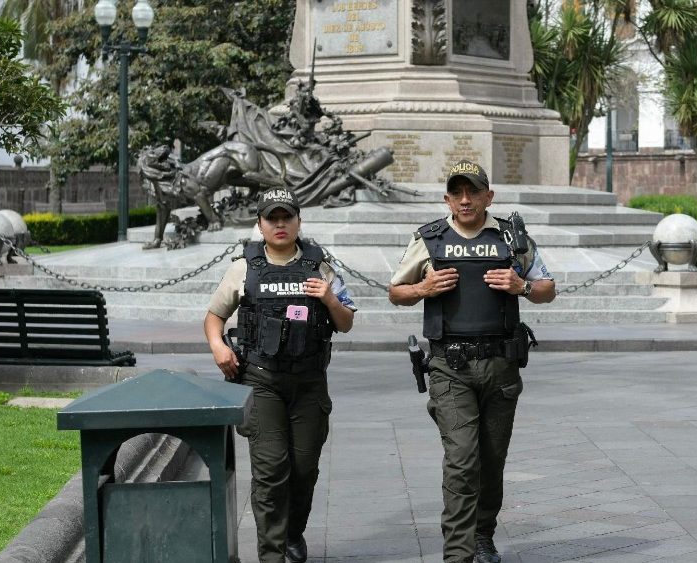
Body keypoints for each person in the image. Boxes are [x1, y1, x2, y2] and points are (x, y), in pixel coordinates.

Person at [388, 160, 556, 563]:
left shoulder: (511, 238)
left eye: (474, 191)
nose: (466, 200)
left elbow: (548, 288)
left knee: (491, 461)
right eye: (458, 192)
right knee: (462, 460)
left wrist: (523, 286)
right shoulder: (430, 239)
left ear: (488, 196)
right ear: (447, 198)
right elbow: (396, 292)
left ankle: (483, 533)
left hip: (501, 366)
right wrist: (424, 287)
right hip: (450, 368)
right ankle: (458, 553)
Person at [204, 187, 356, 563]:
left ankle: (292, 533)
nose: (280, 224)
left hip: (308, 382)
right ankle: (271, 553)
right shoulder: (244, 268)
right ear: (260, 224)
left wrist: (329, 298)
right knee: (271, 470)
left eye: (287, 216)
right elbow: (214, 317)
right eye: (272, 218)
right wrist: (219, 347)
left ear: (298, 222)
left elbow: (346, 322)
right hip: (261, 380)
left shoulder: (320, 267)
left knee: (303, 469)